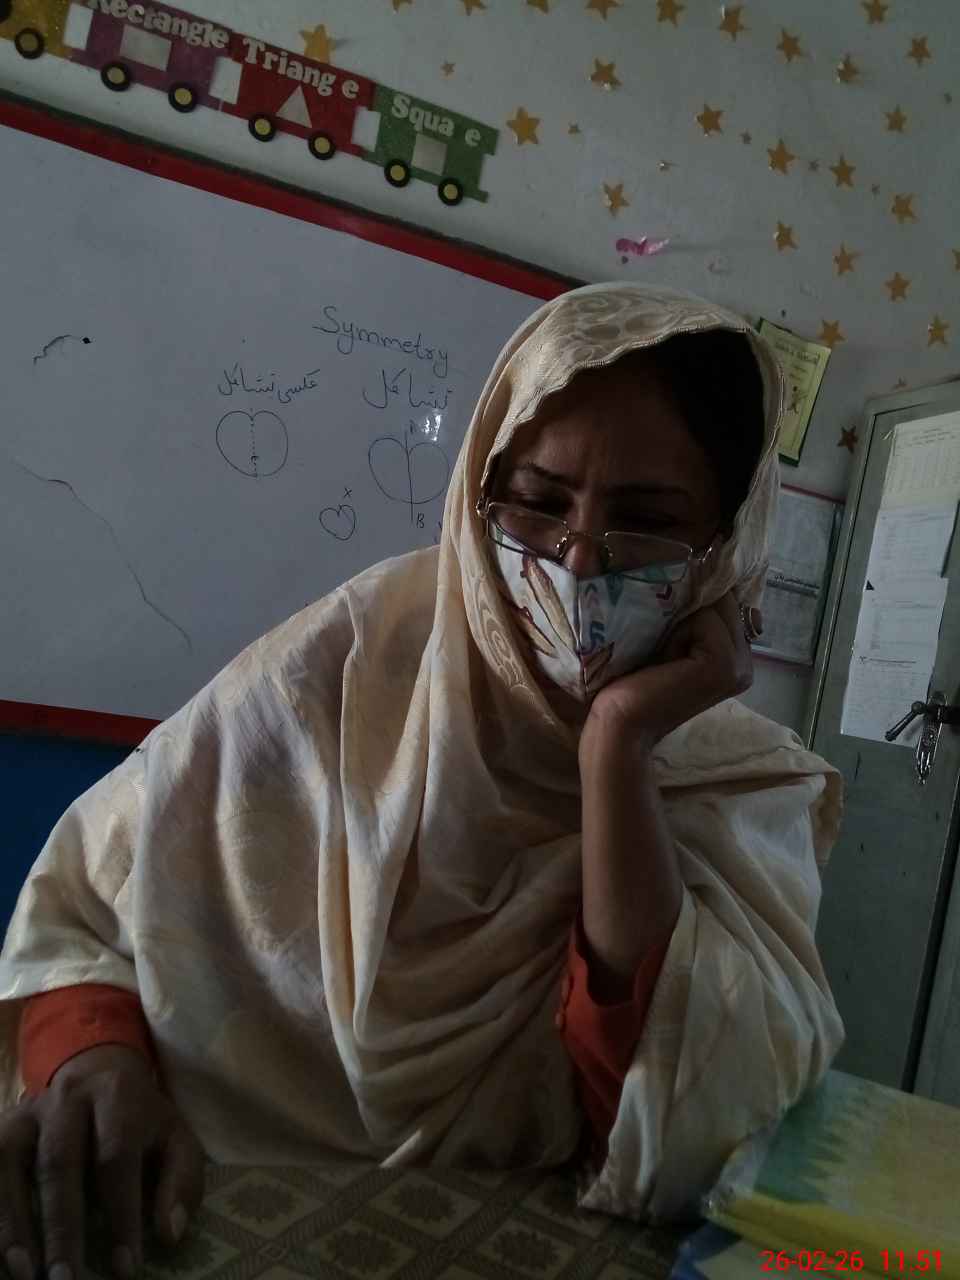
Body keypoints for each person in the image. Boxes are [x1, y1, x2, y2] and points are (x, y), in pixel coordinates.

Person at [0, 284, 845, 1280]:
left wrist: (617, 750)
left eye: (647, 520)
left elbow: (681, 1131)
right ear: (478, 498)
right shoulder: (342, 670)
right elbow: (90, 901)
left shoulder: (737, 788)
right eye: (538, 502)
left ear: (726, 546)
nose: (579, 561)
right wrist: (94, 1058)